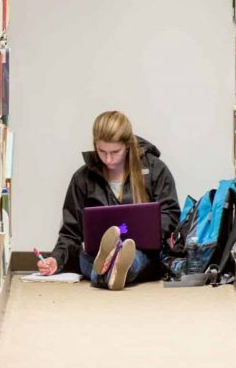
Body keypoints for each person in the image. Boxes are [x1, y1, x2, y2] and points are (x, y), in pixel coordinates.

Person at [37, 110, 180, 290]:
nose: (109, 159)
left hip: (143, 251)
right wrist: (56, 259)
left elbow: (170, 214)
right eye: (102, 151)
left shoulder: (155, 170)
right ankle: (112, 266)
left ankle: (112, 266)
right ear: (94, 145)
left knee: (134, 257)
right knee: (87, 256)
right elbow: (71, 231)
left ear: (127, 145)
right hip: (95, 252)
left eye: (115, 152)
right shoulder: (83, 178)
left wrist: (148, 232)